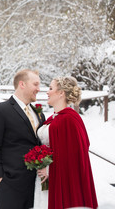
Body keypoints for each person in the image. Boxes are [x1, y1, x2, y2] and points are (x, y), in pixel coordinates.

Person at [0, 69, 46, 209]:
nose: (38, 89)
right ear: (22, 84)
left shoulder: (39, 113)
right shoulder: (0, 110)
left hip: (36, 185)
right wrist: (0, 178)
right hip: (9, 184)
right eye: (35, 84)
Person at [34, 76, 98, 209]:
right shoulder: (54, 118)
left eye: (51, 88)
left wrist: (49, 169)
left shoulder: (70, 119)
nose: (47, 92)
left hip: (60, 179)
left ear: (61, 93)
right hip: (44, 179)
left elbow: (73, 157)